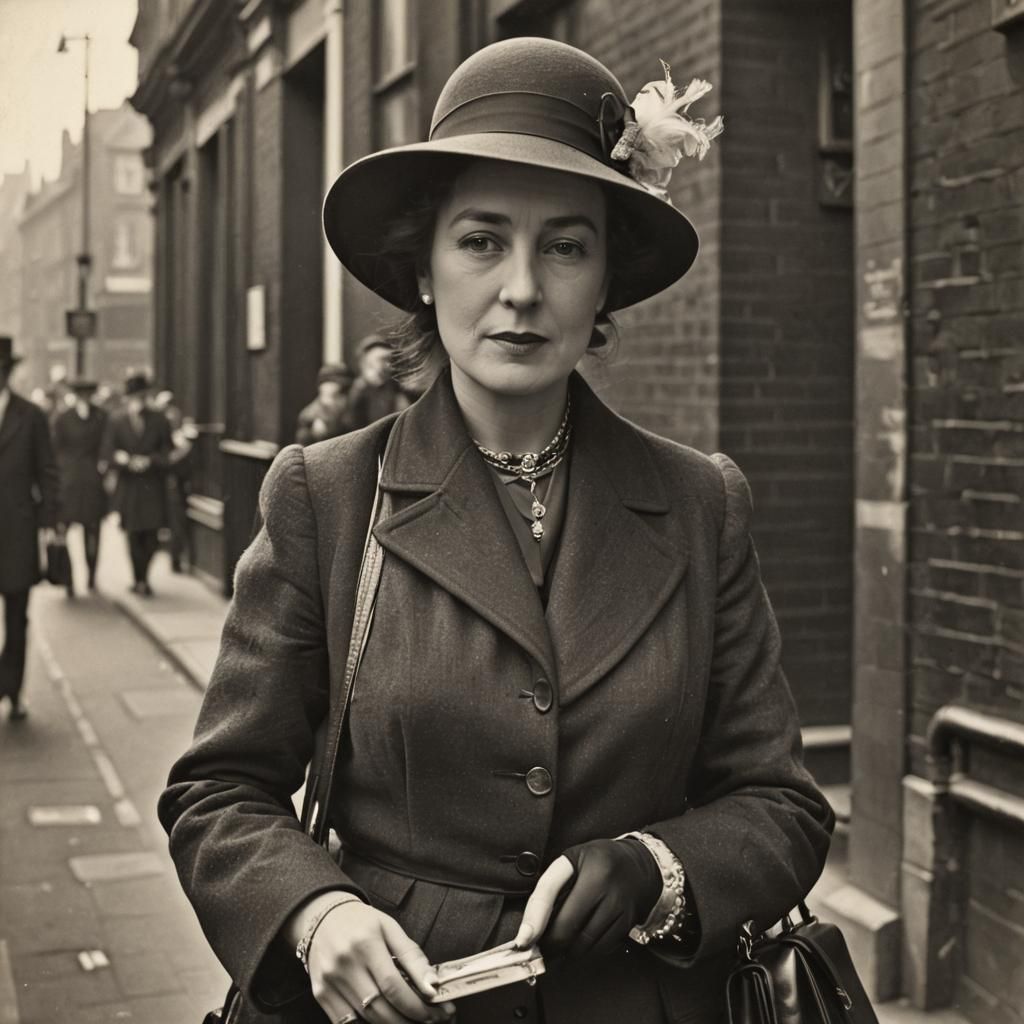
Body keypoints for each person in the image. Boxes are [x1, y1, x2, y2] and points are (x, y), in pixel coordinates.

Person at [160, 38, 831, 1024]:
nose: (521, 288)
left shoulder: (698, 503)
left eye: (564, 245)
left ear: (603, 281)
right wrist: (313, 913)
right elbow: (219, 790)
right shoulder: (326, 495)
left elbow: (782, 802)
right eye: (481, 241)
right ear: (424, 272)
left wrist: (658, 868)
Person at [0, 336, 59, 721]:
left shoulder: (31, 415)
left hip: (17, 532)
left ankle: (13, 691)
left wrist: (51, 523)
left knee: (16, 616)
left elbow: (48, 471)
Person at [102, 372, 172, 596]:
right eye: (134, 396)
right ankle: (138, 578)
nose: (138, 400)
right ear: (127, 398)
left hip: (152, 485)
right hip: (130, 487)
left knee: (151, 535)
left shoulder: (160, 419)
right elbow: (108, 451)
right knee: (133, 534)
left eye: (142, 395)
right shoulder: (117, 420)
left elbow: (167, 452)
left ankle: (144, 577)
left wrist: (150, 460)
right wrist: (122, 459)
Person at [53, 378, 109, 596]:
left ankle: (91, 575)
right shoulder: (63, 419)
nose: (84, 398)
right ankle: (67, 579)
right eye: (80, 394)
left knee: (93, 531)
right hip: (68, 482)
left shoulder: (101, 417)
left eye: (88, 394)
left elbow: (107, 445)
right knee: (63, 532)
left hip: (92, 481)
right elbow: (55, 449)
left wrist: (102, 466)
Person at [153, 390, 195, 572]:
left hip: (176, 482)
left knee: (176, 520)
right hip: (162, 482)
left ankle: (175, 557)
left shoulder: (178, 434)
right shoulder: (159, 433)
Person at [346, 334, 410, 430]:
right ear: (368, 362)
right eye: (382, 360)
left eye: (389, 360)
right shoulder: (360, 389)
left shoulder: (394, 385)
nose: (388, 365)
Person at [296, 363, 355, 445]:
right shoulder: (308, 418)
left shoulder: (350, 410)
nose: (343, 399)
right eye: (337, 394)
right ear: (322, 387)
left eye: (344, 392)